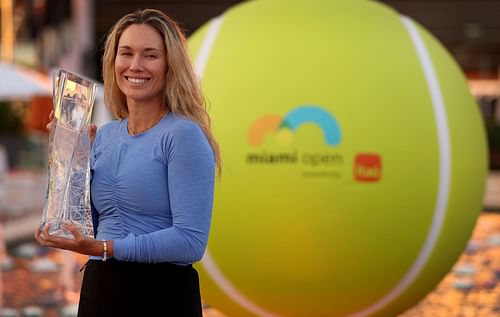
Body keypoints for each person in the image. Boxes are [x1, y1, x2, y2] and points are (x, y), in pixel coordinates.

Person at [35, 8, 221, 317]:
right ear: (113, 61)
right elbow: (87, 226)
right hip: (100, 290)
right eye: (127, 53)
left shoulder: (183, 135)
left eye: (150, 55)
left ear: (170, 65)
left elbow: (190, 241)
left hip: (161, 295)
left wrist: (105, 249)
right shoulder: (104, 136)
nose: (135, 66)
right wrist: (70, 159)